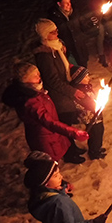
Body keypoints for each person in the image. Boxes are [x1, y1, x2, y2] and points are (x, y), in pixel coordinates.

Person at [33, 18, 95, 164]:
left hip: (66, 88)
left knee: (69, 120)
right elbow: (52, 81)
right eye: (52, 32)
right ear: (44, 35)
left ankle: (72, 148)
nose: (57, 33)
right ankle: (69, 153)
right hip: (59, 95)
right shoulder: (44, 55)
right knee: (65, 123)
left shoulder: (58, 47)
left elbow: (66, 66)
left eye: (56, 30)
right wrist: (72, 92)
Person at [2, 62, 89, 162]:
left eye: (38, 74)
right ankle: (53, 176)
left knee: (55, 158)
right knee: (49, 162)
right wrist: (74, 132)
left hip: (51, 134)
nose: (39, 77)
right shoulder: (30, 101)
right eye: (35, 76)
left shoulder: (35, 90)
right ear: (25, 80)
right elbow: (47, 120)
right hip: (43, 138)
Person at [70, 66, 107, 160]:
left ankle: (97, 148)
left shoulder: (86, 86)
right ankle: (94, 152)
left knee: (99, 131)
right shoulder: (80, 91)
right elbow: (87, 103)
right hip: (90, 116)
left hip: (95, 114)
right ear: (79, 80)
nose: (88, 78)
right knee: (95, 133)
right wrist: (97, 105)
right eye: (85, 77)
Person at [47, 0, 90, 67]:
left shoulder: (75, 12)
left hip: (80, 47)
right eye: (66, 3)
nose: (69, 5)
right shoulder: (54, 17)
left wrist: (91, 24)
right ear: (59, 4)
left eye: (69, 2)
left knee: (84, 67)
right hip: (68, 51)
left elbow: (84, 27)